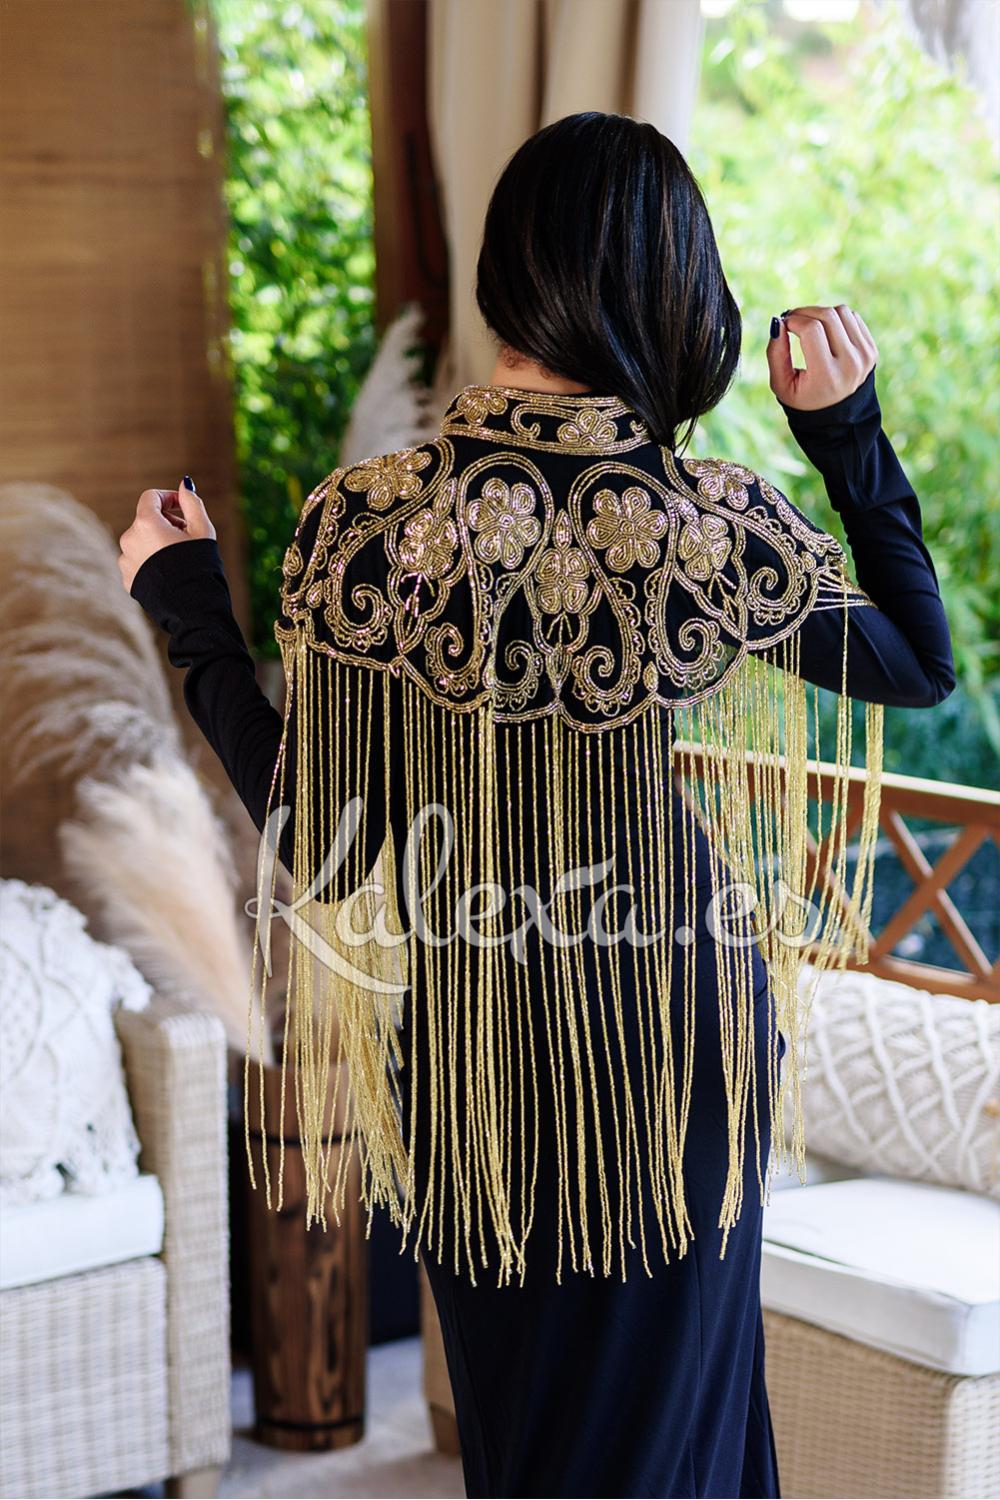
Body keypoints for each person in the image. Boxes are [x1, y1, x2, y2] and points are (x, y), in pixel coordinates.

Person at [120, 113, 954, 1500]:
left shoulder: (368, 523)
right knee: (670, 1446)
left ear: (507, 273)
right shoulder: (698, 519)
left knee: (533, 1450)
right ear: (668, 284)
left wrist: (189, 610)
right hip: (669, 1037)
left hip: (466, 1041)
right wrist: (844, 433)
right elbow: (919, 661)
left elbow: (319, 835)